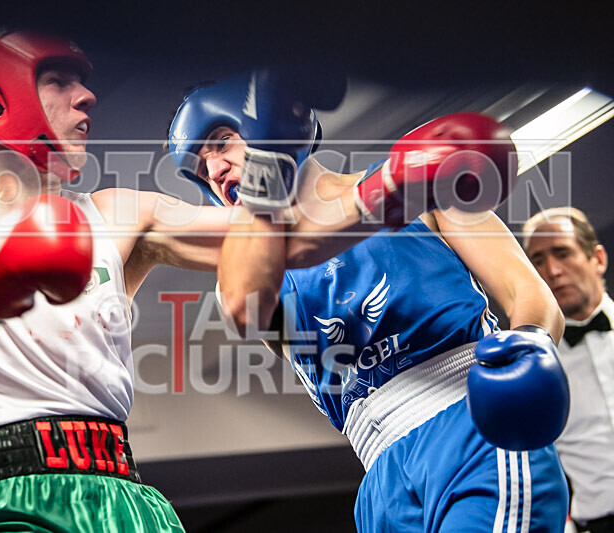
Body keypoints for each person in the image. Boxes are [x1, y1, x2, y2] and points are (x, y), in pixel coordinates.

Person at [0, 29, 265, 532]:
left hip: (128, 502)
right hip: (9, 502)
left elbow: (277, 235)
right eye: (58, 80)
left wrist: (280, 150)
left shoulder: (116, 214)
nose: (87, 95)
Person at [168, 74, 572, 532]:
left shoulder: (415, 179)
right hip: (380, 482)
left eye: (221, 143)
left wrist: (529, 348)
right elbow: (245, 307)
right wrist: (266, 182)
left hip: (470, 426)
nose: (215, 171)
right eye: (201, 170)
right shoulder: (248, 279)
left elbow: (529, 294)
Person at [523, 207, 614, 533]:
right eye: (538, 261)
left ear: (598, 259)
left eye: (563, 253)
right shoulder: (531, 370)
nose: (553, 270)